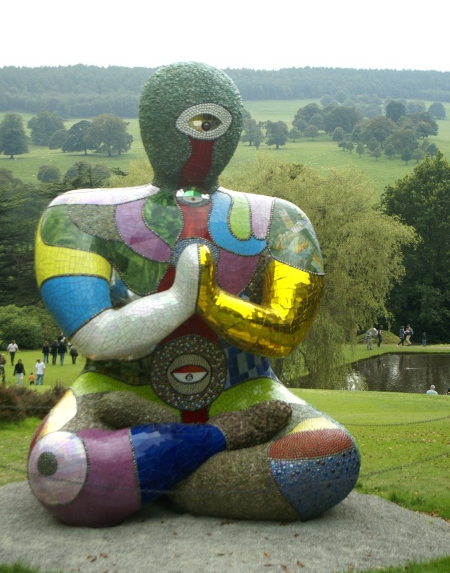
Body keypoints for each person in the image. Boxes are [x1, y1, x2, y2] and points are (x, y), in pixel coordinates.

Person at [28, 62, 360, 527]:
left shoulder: (282, 220)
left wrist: (209, 299)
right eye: (194, 121)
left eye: (214, 122)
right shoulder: (76, 215)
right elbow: (95, 336)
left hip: (245, 393)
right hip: (115, 393)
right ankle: (210, 454)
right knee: (58, 467)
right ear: (152, 124)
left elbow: (283, 334)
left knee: (327, 457)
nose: (202, 138)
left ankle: (147, 478)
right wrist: (180, 298)